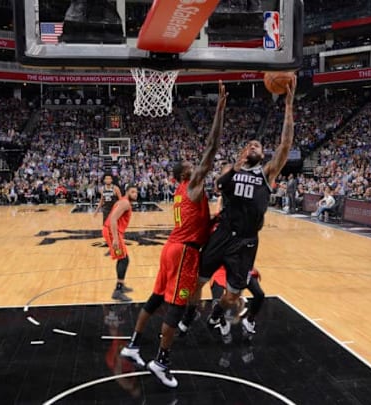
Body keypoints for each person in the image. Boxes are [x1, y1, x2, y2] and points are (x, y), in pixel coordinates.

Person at [119, 81, 227, 388]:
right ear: (184, 175)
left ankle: (133, 345)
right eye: (193, 167)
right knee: (176, 307)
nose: (199, 168)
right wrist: (219, 108)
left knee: (155, 298)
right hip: (184, 253)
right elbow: (211, 148)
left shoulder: (183, 193)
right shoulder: (192, 186)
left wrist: (215, 218)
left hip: (172, 248)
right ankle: (161, 361)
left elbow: (199, 223)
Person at [180, 78, 296, 339]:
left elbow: (285, 145)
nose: (253, 146)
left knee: (233, 295)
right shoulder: (230, 171)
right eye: (250, 144)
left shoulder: (267, 172)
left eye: (258, 145)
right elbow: (217, 173)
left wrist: (288, 106)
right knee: (197, 281)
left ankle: (218, 312)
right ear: (243, 151)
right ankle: (190, 313)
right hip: (222, 232)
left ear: (263, 155)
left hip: (246, 241)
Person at [103, 185, 139, 301]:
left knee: (122, 258)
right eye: (132, 192)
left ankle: (121, 285)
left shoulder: (123, 201)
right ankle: (118, 291)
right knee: (124, 259)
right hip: (112, 231)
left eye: (136, 192)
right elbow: (113, 218)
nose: (135, 194)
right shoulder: (125, 203)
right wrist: (115, 238)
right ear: (127, 192)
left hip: (112, 231)